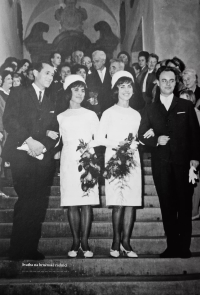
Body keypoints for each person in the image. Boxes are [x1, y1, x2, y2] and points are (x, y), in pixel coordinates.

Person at [138, 66, 200, 258]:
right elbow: (141, 135)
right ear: (158, 82)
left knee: (184, 205)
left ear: (176, 82)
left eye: (171, 80)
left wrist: (195, 160)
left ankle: (184, 247)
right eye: (164, 80)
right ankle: (172, 246)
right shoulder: (149, 109)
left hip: (184, 166)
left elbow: (195, 136)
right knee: (167, 206)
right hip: (161, 165)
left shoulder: (186, 106)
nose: (168, 84)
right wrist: (155, 140)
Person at [3, 61, 59, 260]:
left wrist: (43, 145)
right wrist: (30, 140)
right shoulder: (19, 92)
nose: (50, 77)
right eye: (47, 72)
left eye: (52, 74)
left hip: (42, 156)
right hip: (21, 153)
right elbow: (9, 120)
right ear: (35, 72)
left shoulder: (52, 98)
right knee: (26, 199)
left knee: (39, 203)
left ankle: (31, 248)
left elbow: (54, 130)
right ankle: (17, 248)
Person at [96, 71, 142, 258]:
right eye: (122, 86)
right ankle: (115, 241)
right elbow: (99, 138)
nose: (126, 90)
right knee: (117, 203)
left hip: (133, 159)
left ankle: (126, 243)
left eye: (129, 86)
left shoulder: (137, 114)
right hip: (114, 158)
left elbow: (140, 137)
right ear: (116, 90)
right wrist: (118, 144)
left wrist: (136, 144)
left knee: (130, 202)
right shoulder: (108, 112)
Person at [57, 75, 99, 258]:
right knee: (72, 202)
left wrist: (90, 156)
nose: (80, 93)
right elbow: (57, 141)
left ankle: (85, 242)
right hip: (68, 162)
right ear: (68, 92)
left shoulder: (90, 115)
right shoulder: (60, 117)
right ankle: (75, 241)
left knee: (87, 202)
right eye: (76, 89)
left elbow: (97, 140)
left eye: (83, 90)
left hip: (87, 161)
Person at [179, 89, 200, 220]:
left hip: (195, 153)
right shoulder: (179, 114)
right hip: (182, 154)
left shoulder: (197, 114)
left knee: (195, 182)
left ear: (191, 100)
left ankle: (194, 210)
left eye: (185, 99)